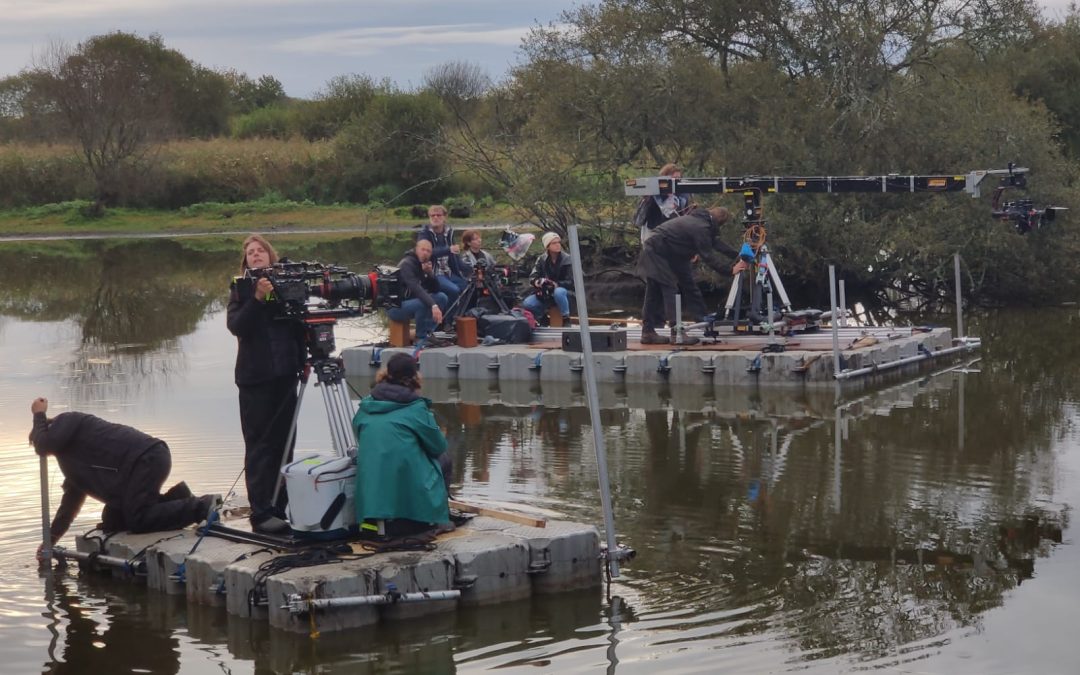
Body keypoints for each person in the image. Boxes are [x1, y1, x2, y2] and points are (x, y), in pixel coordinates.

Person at [29, 397, 219, 558]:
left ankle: (202, 506)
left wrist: (38, 414)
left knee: (138, 518)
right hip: (141, 464)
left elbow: (44, 445)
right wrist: (50, 541)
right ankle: (179, 497)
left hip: (147, 457)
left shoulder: (67, 420)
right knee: (112, 519)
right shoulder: (72, 461)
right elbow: (69, 507)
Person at [226, 234, 306, 535]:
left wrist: (305, 360)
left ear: (271, 256)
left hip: (286, 375)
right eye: (250, 252)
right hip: (254, 378)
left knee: (285, 443)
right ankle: (261, 512)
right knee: (260, 446)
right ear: (245, 260)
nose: (256, 255)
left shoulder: (286, 282)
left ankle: (281, 506)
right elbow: (237, 327)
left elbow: (299, 325)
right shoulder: (240, 288)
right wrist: (257, 300)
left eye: (261, 251)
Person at [351, 353, 452, 534]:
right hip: (410, 515)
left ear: (385, 374)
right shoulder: (416, 409)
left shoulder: (365, 407)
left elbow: (361, 435)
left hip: (370, 510)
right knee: (444, 460)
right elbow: (438, 446)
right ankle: (438, 518)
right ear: (415, 377)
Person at [637, 206, 746, 345]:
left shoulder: (701, 222)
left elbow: (715, 243)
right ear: (719, 223)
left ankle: (701, 320)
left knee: (689, 284)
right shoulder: (701, 227)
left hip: (670, 251)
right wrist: (730, 270)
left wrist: (738, 255)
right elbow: (708, 257)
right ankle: (676, 333)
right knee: (668, 289)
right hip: (657, 251)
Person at [390, 238, 450, 343]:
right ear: (416, 250)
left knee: (441, 297)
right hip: (396, 307)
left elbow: (435, 289)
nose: (425, 253)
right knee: (423, 303)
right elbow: (416, 288)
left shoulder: (421, 265)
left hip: (412, 302)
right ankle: (420, 337)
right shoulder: (407, 264)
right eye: (423, 249)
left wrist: (430, 274)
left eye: (428, 251)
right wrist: (433, 305)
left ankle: (428, 332)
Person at [418, 205, 468, 311]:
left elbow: (455, 257)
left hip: (449, 271)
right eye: (432, 215)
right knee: (454, 290)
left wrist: (469, 268)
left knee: (467, 287)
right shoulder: (424, 234)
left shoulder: (449, 232)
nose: (435, 218)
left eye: (438, 215)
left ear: (444, 217)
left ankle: (461, 317)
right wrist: (448, 249)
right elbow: (425, 253)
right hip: (433, 273)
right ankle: (447, 322)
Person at [522, 231, 573, 325]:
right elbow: (533, 276)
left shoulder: (567, 259)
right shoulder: (541, 259)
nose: (558, 245)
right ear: (547, 246)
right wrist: (538, 282)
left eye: (559, 242)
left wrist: (557, 284)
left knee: (559, 292)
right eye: (554, 243)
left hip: (566, 293)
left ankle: (566, 318)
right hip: (547, 293)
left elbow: (573, 282)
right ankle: (543, 318)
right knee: (527, 303)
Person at [639, 163, 693, 243]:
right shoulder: (654, 190)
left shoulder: (682, 193)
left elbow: (683, 210)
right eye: (673, 178)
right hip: (654, 229)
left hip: (671, 231)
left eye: (678, 178)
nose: (675, 181)